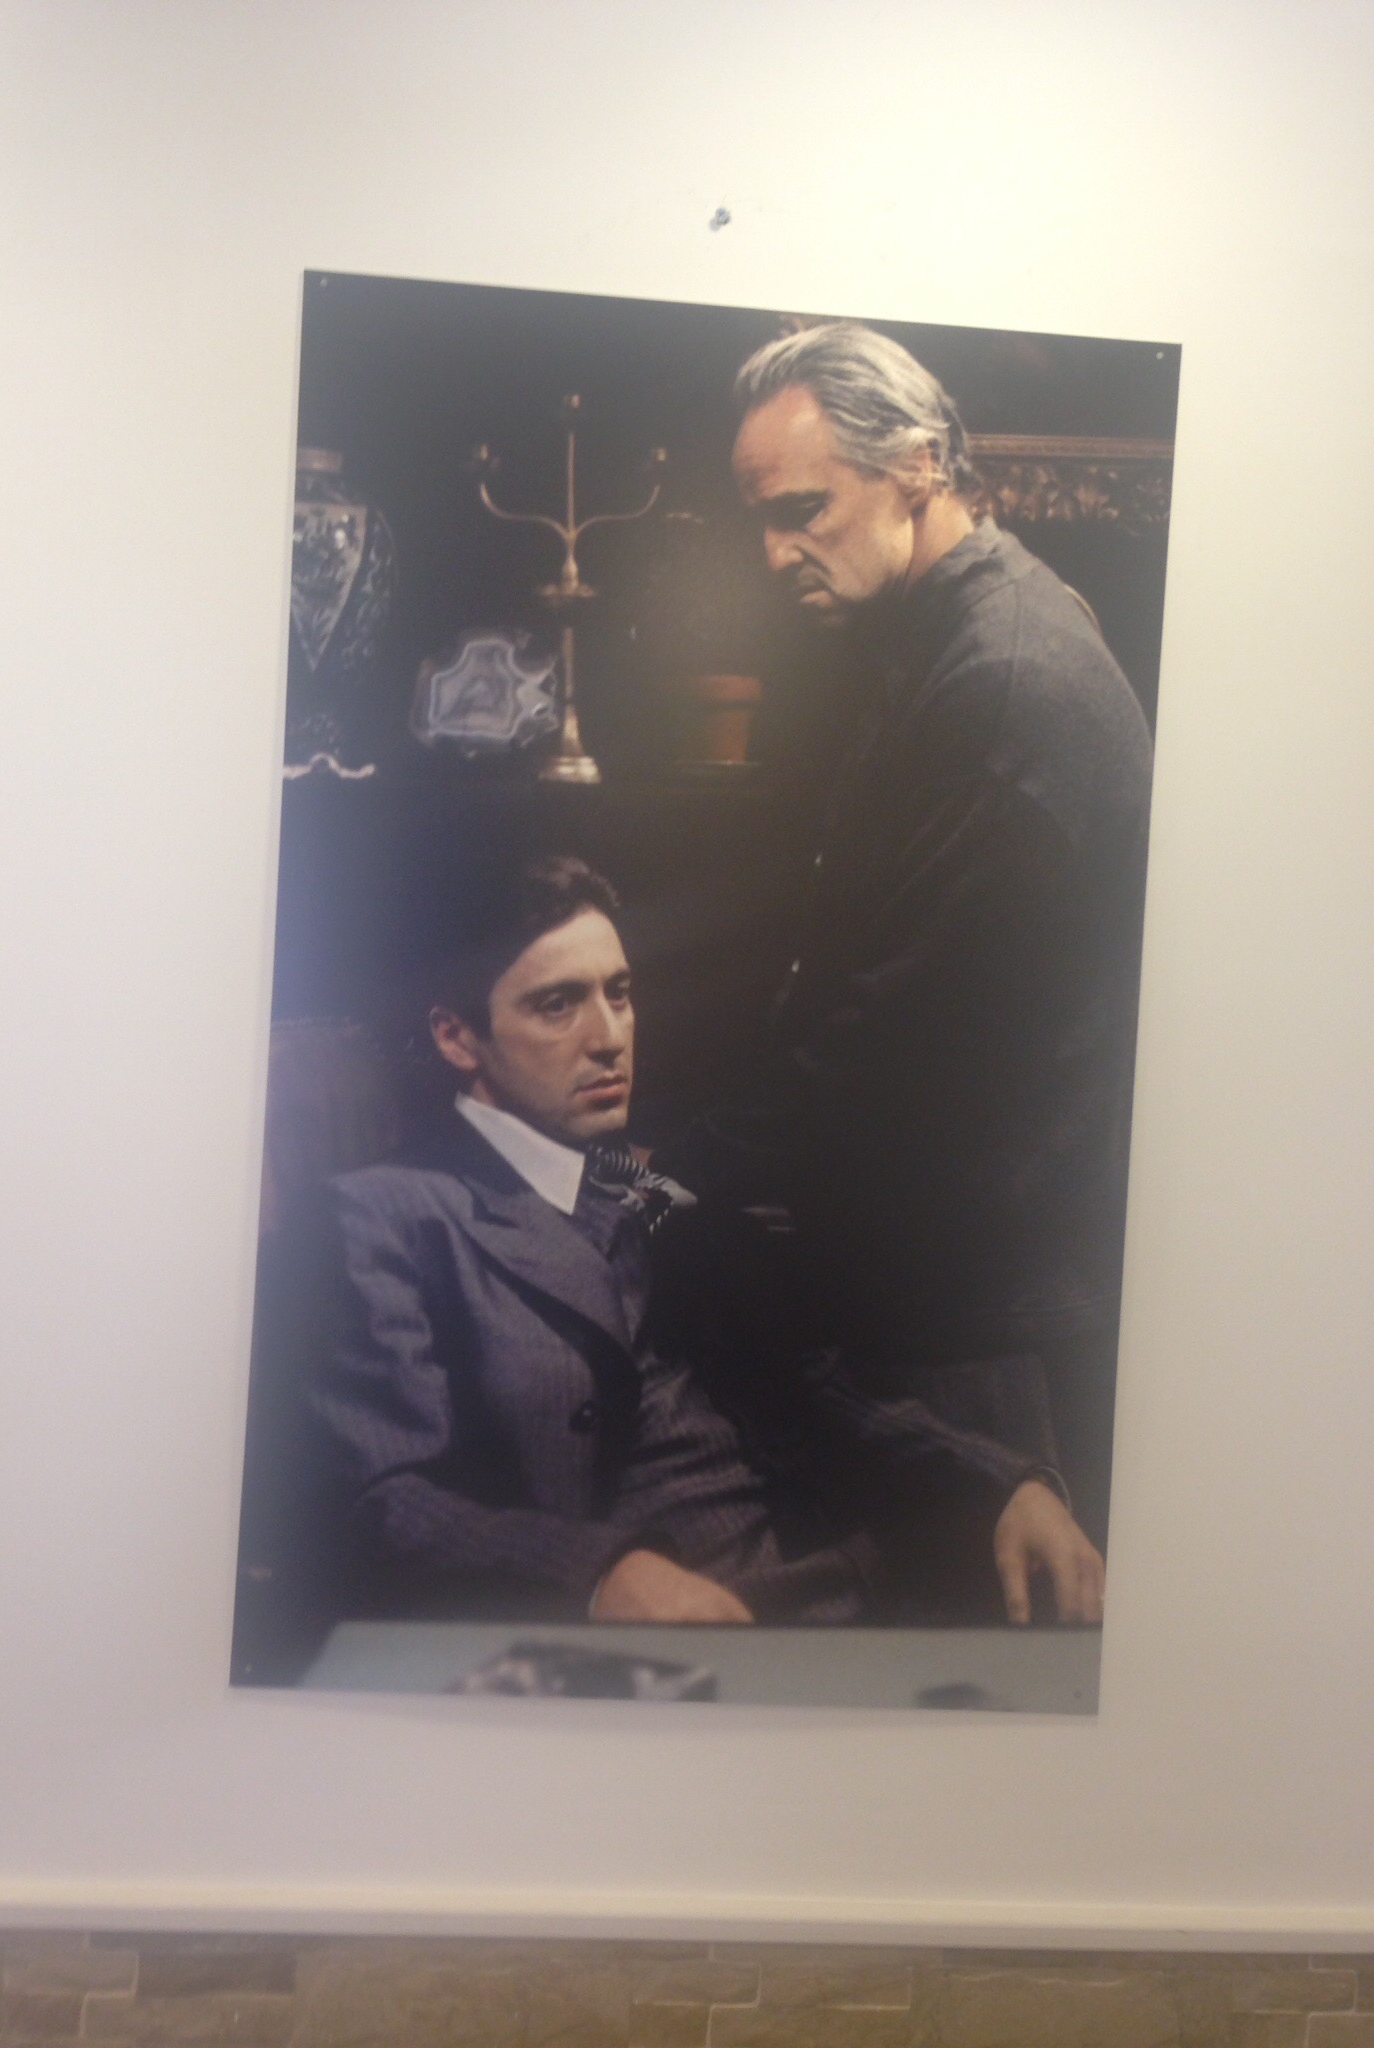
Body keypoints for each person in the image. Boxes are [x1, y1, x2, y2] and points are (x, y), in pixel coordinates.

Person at [299, 854, 1105, 1628]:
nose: (609, 1036)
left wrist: (1003, 1484)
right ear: (456, 1037)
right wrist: (598, 1576)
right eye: (558, 1005)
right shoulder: (383, 1211)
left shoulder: (637, 1184)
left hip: (839, 1582)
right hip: (659, 1641)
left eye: (620, 994)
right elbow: (381, 1500)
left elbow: (806, 1387)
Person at [706, 321, 1155, 1539]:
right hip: (960, 1288)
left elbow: (892, 1037)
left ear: (914, 466)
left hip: (986, 1332)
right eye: (761, 520)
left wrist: (675, 1175)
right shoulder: (954, 626)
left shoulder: (1003, 676)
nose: (775, 552)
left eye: (804, 509)